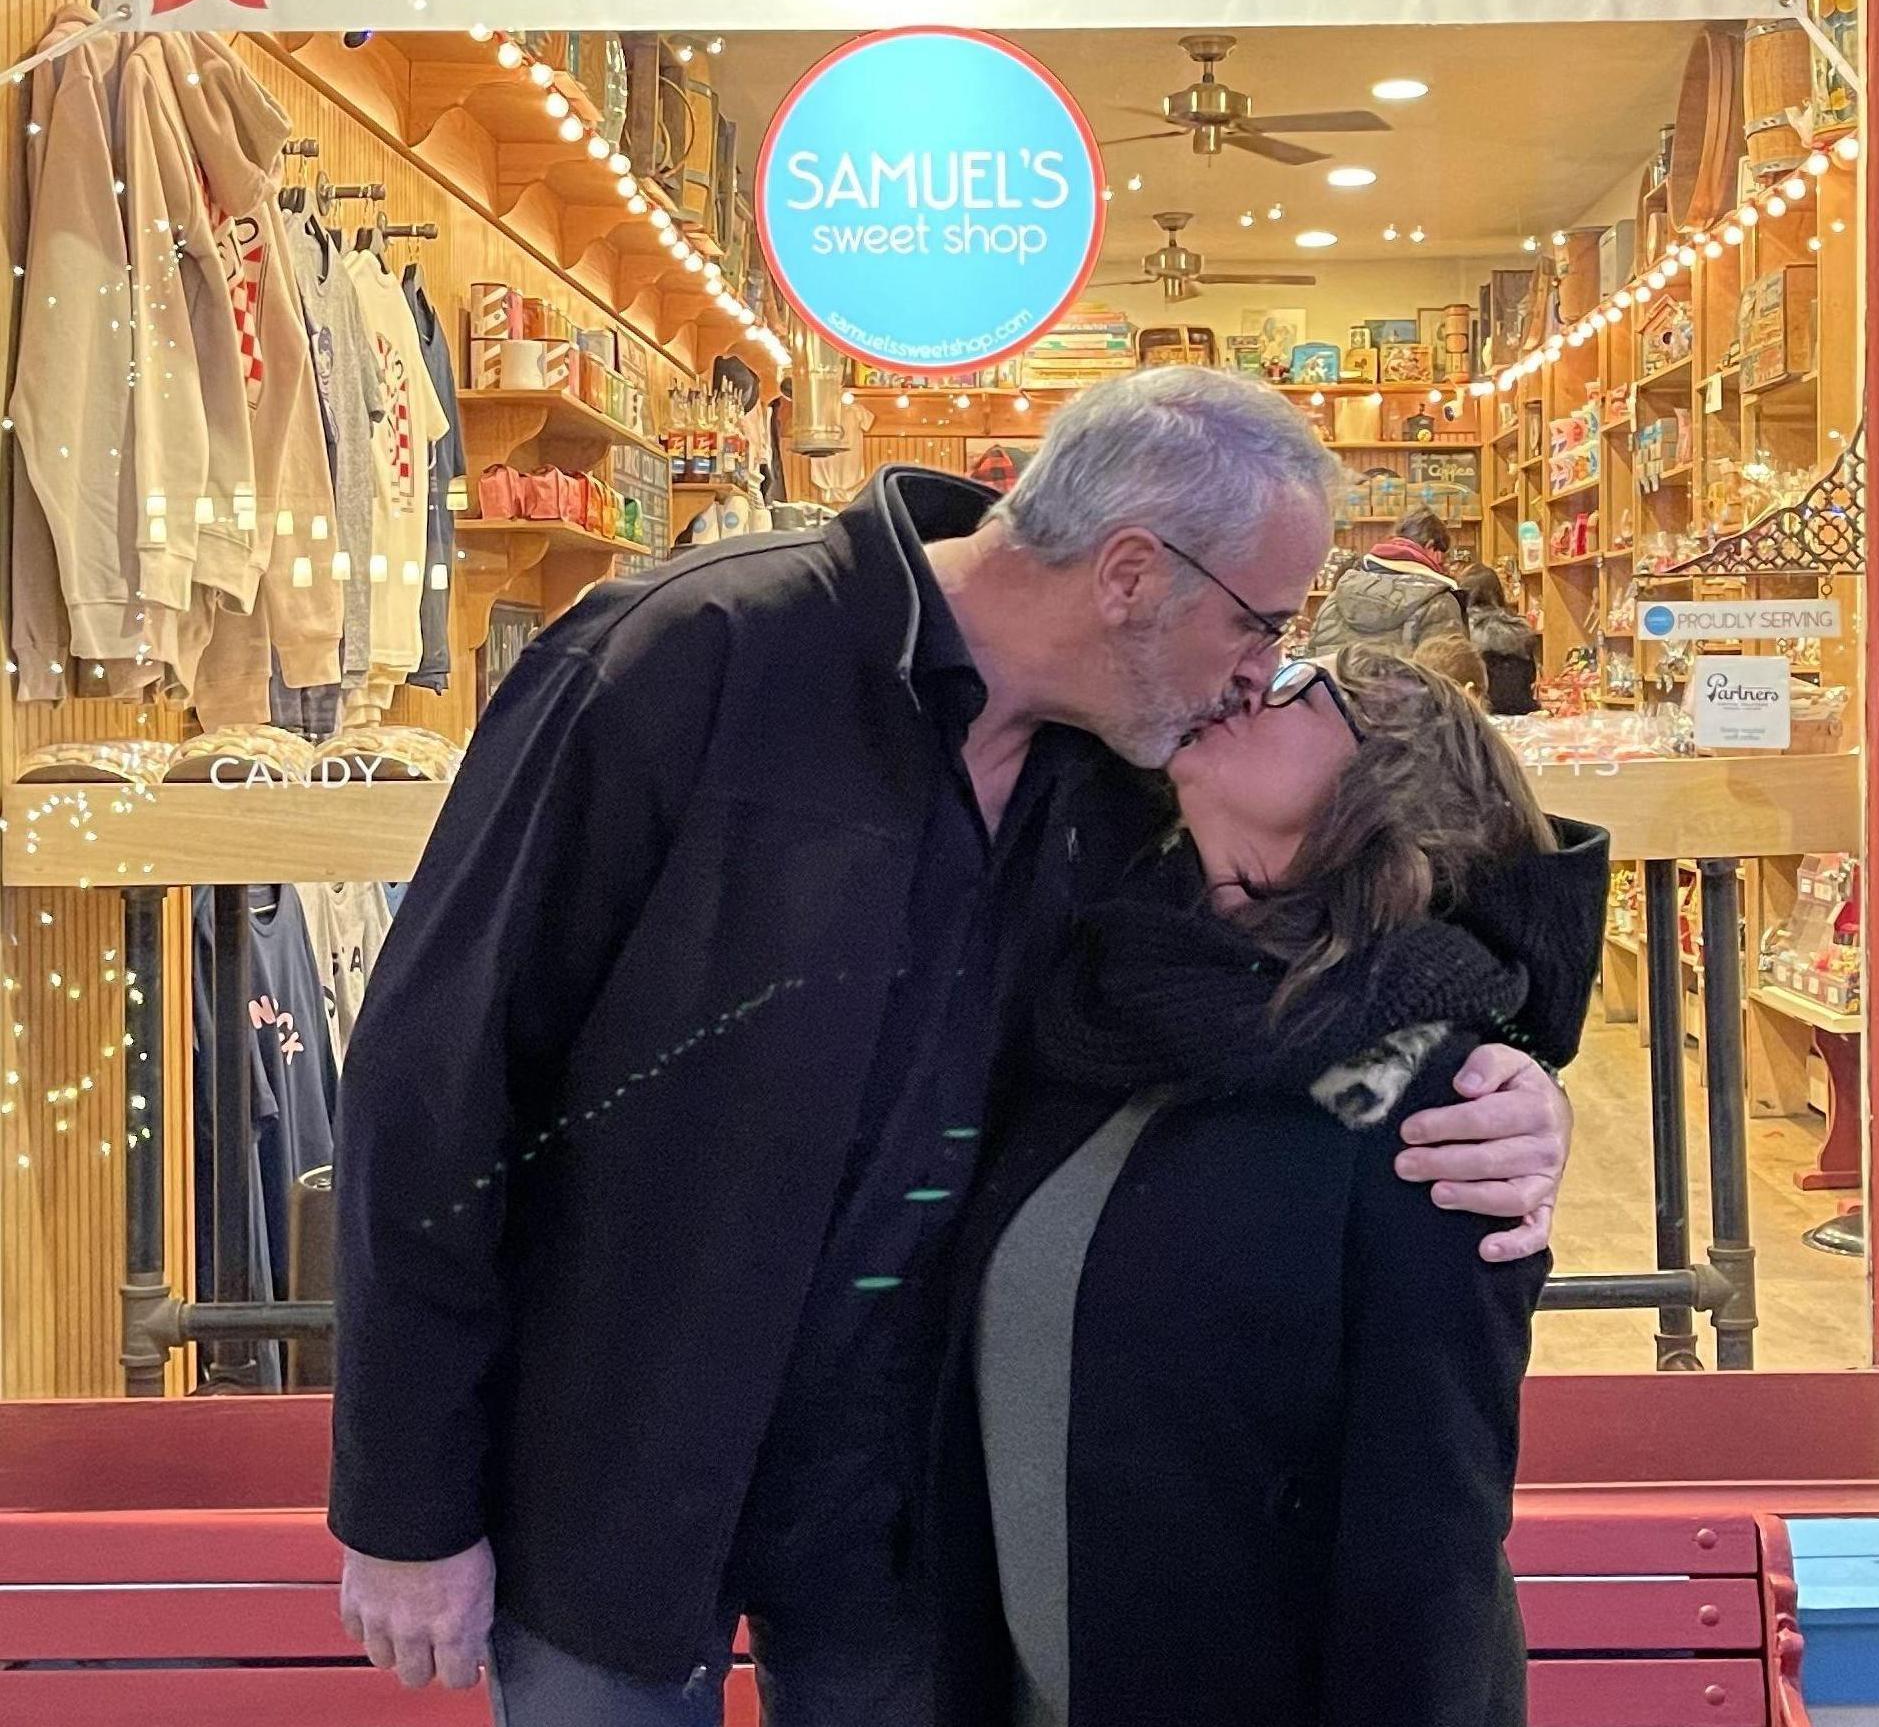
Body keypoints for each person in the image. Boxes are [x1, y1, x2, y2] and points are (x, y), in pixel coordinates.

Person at [331, 369, 1579, 1727]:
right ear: (1127, 573)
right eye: (1258, 622)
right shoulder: (689, 654)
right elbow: (430, 1077)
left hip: (917, 1513)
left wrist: (1509, 1058)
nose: (1258, 669)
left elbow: (1408, 879)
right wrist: (404, 1494)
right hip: (611, 1466)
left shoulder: (1127, 772)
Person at [932, 647, 1609, 1727]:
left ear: (1393, 789)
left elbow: (1426, 1549)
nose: (1248, 682)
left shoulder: (1429, 1101)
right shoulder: (1102, 1005)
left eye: (1307, 684)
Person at [1308, 506, 1467, 657]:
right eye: (1442, 556)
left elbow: (1314, 662)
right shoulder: (1439, 602)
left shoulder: (1338, 594)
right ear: (1431, 547)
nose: (1443, 565)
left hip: (1334, 685)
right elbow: (1449, 674)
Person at [1459, 562, 1540, 717]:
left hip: (1480, 718)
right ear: (1498, 592)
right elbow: (1530, 677)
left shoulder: (1460, 632)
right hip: (1522, 716)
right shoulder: (1520, 631)